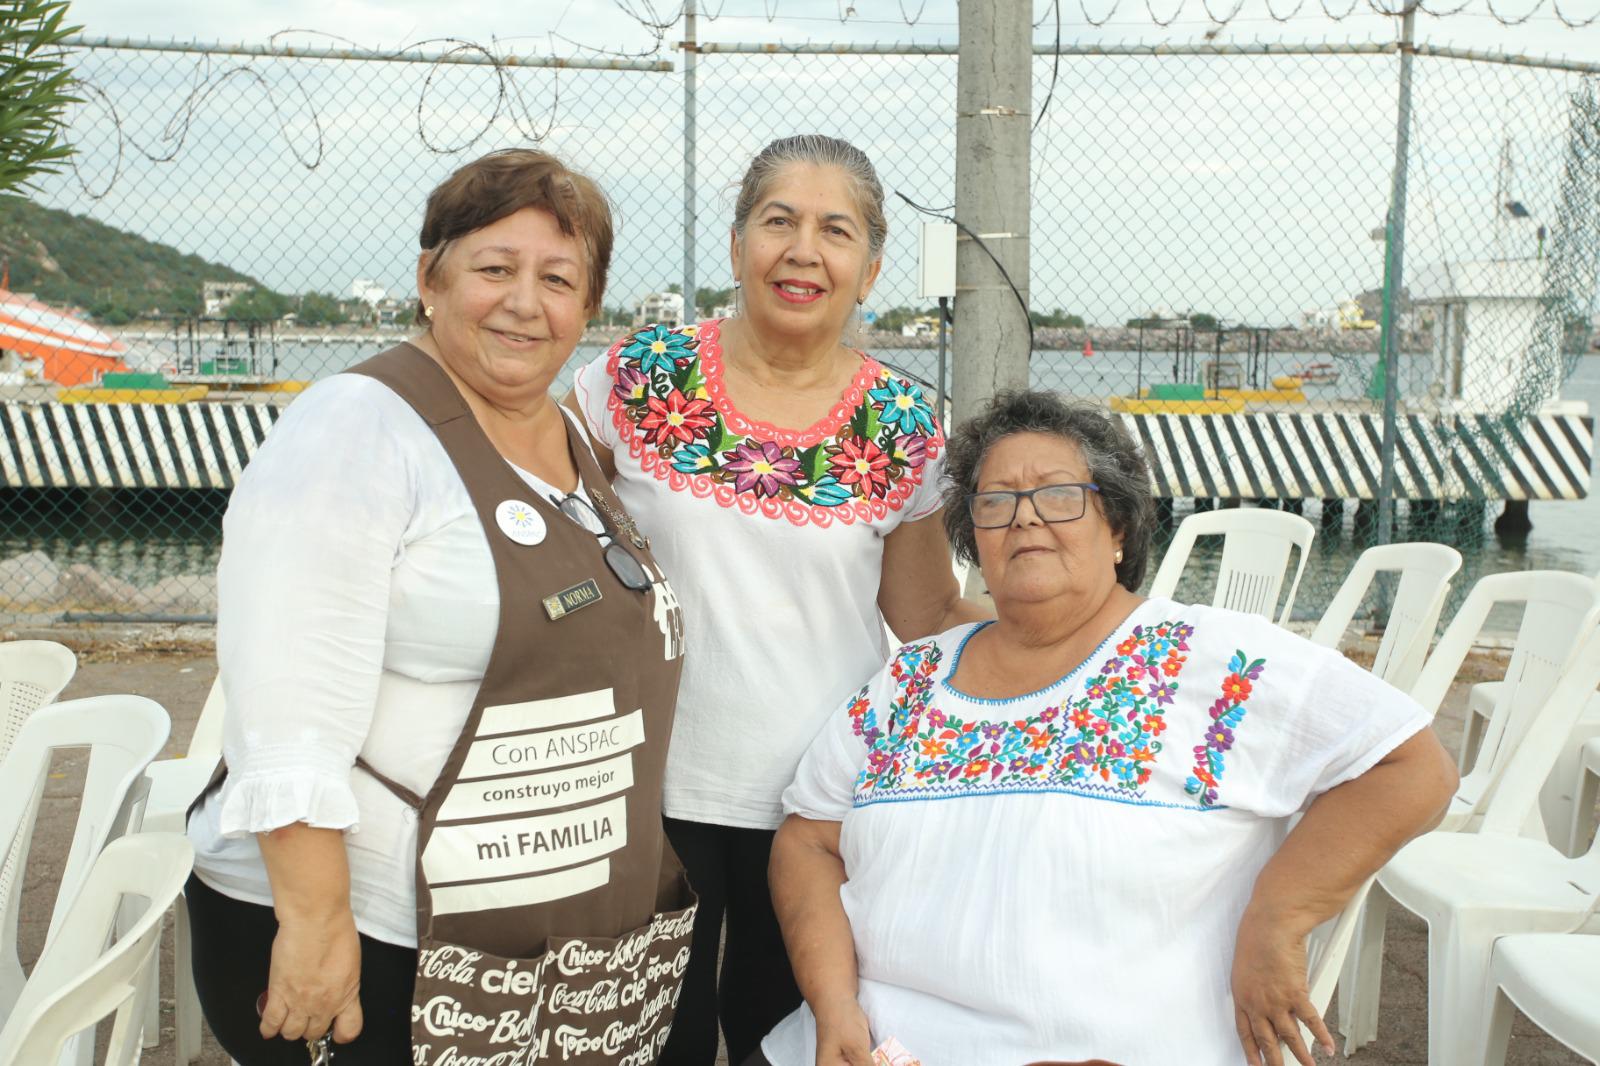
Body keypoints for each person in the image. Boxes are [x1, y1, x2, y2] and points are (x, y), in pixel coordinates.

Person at [758, 389, 1460, 1066]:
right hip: (870, 1044)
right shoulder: (909, 682)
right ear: (974, 540)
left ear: (1118, 528)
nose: (1024, 519)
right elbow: (808, 838)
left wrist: (1278, 916)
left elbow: (1410, 767)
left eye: (1060, 496)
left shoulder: (1218, 662)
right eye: (995, 503)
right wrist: (833, 1005)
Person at [186, 149, 694, 1066]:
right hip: (381, 935)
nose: (524, 302)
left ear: (590, 305)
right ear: (430, 278)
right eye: (494, 269)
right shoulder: (357, 426)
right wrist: (315, 925)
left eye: (558, 279)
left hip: (530, 943)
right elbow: (287, 705)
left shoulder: (564, 430)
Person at [567, 133, 986, 1065]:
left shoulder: (909, 423)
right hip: (645, 781)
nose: (804, 251)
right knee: (643, 1040)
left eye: (835, 231)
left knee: (780, 1036)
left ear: (870, 269)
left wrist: (1088, 630)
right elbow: (547, 530)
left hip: (819, 800)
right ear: (736, 246)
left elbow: (922, 616)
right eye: (778, 221)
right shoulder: (639, 378)